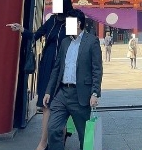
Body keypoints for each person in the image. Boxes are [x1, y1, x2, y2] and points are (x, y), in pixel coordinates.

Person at [7, 0, 73, 150]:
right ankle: (43, 142)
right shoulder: (51, 20)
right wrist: (22, 29)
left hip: (64, 65)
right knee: (46, 104)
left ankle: (59, 136)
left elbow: (75, 42)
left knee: (61, 104)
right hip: (47, 64)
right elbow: (37, 35)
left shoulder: (71, 22)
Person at [44, 8, 103, 150]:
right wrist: (48, 91)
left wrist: (95, 93)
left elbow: (97, 69)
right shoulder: (65, 42)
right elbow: (57, 68)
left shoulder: (92, 41)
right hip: (62, 94)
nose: (65, 25)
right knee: (53, 129)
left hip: (80, 95)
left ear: (78, 24)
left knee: (85, 136)